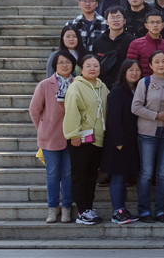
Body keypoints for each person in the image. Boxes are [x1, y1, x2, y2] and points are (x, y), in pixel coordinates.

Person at [29, 51, 75, 223]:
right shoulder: (45, 85)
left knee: (68, 173)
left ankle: (67, 207)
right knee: (53, 173)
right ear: (54, 65)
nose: (65, 65)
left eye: (68, 62)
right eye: (61, 62)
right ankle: (53, 207)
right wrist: (43, 127)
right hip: (50, 136)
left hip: (72, 136)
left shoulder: (78, 83)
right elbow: (34, 110)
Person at [61, 53, 107, 225]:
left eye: (96, 65)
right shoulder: (76, 87)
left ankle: (88, 207)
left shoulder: (102, 86)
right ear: (81, 68)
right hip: (80, 140)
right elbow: (71, 112)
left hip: (98, 139)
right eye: (88, 66)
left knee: (91, 176)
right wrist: (73, 135)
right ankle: (82, 211)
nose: (92, 68)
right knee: (80, 176)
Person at [131, 50, 164, 222]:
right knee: (146, 173)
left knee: (163, 174)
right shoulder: (144, 82)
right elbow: (135, 107)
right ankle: (143, 210)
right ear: (150, 65)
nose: (161, 64)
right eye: (156, 62)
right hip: (147, 133)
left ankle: (161, 211)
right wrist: (156, 115)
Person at [101, 58, 143, 224]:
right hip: (117, 143)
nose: (134, 73)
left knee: (124, 177)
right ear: (123, 72)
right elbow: (113, 118)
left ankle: (122, 209)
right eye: (130, 70)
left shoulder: (138, 90)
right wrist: (118, 142)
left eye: (137, 70)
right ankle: (117, 211)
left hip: (131, 142)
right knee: (117, 177)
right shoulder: (117, 91)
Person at [94, 7, 134, 87]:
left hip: (125, 84)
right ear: (106, 21)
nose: (115, 20)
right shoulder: (99, 42)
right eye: (112, 17)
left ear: (124, 21)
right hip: (103, 85)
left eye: (119, 17)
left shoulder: (132, 41)